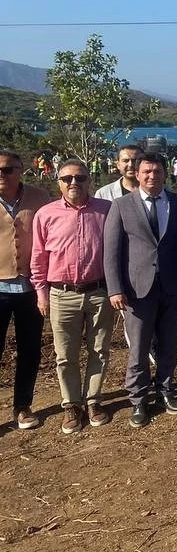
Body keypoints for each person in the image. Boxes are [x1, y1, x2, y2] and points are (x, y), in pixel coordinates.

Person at [104, 152, 177, 428]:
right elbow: (111, 252)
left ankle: (166, 390)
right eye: (146, 171)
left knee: (169, 344)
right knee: (139, 347)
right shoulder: (121, 205)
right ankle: (138, 399)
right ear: (137, 174)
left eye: (157, 171)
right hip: (137, 289)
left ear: (165, 174)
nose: (152, 176)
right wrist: (115, 289)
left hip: (172, 287)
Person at [30, 159, 114, 432]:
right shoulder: (45, 214)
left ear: (90, 180)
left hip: (99, 292)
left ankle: (93, 400)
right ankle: (71, 404)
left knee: (99, 350)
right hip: (61, 294)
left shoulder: (106, 210)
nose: (74, 183)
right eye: (67, 179)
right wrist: (41, 293)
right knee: (65, 354)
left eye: (80, 177)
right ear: (59, 183)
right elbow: (38, 257)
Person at [0, 149, 51, 430]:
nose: (2, 175)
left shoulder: (40, 198)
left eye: (8, 169)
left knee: (30, 350)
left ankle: (22, 406)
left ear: (20, 170)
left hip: (31, 288)